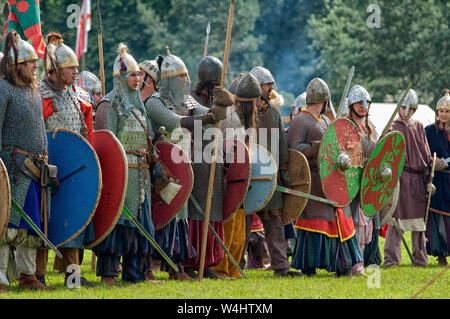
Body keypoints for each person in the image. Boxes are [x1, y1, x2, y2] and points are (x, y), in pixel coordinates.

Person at [144, 50, 231, 280]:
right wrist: (209, 117)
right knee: (159, 215)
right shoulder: (154, 102)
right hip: (161, 168)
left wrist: (219, 107)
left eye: (186, 76)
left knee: (180, 216)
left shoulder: (187, 100)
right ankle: (146, 268)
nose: (187, 80)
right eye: (182, 77)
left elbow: (206, 112)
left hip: (183, 165)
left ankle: (176, 268)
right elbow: (177, 123)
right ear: (171, 79)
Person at [93, 43, 156, 286]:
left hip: (140, 174)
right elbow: (106, 145)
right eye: (133, 74)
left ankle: (135, 273)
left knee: (138, 224)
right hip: (121, 175)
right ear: (120, 77)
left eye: (139, 74)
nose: (138, 78)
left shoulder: (139, 107)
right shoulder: (110, 105)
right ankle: (109, 273)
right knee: (116, 223)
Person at [287, 78, 363, 277]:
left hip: (332, 179)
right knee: (316, 222)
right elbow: (293, 151)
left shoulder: (328, 121)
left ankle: (342, 264)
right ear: (326, 100)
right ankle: (309, 265)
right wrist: (316, 146)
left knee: (340, 222)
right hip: (312, 181)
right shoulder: (300, 121)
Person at [37, 32, 95, 287]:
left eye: (75, 67)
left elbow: (88, 139)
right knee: (42, 223)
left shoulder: (81, 98)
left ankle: (72, 278)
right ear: (55, 70)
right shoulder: (39, 96)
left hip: (75, 170)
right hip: (43, 169)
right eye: (70, 67)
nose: (75, 72)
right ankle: (37, 275)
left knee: (73, 221)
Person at [0, 30, 51, 292]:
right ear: (17, 65)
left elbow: (40, 129)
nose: (36, 66)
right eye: (31, 62)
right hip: (11, 169)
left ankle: (27, 274)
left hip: (33, 169)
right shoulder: (3, 90)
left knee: (30, 223)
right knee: (5, 223)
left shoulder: (33, 92)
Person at [248, 66, 302, 277]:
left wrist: (284, 173)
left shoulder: (273, 113)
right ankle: (232, 265)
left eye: (271, 84)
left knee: (274, 221)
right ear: (256, 86)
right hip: (249, 173)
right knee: (242, 222)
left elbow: (280, 144)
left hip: (270, 175)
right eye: (266, 84)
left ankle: (281, 266)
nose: (271, 88)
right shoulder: (243, 111)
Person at [212, 72, 260, 278]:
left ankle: (232, 269)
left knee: (239, 231)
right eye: (255, 102)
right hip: (226, 179)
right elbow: (228, 152)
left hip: (238, 180)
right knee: (229, 228)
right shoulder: (231, 118)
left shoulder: (240, 119)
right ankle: (222, 268)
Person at [383, 89, 432, 268]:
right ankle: (391, 260)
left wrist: (430, 177)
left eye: (410, 108)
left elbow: (426, 156)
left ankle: (420, 260)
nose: (406, 111)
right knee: (396, 220)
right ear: (398, 108)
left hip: (418, 180)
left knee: (419, 222)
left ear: (415, 109)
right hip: (400, 178)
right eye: (403, 107)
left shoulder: (418, 126)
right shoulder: (392, 127)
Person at [344, 85, 381, 275]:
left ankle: (360, 263)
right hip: (349, 181)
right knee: (351, 225)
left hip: (367, 183)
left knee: (365, 226)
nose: (363, 106)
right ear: (351, 105)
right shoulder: (345, 126)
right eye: (359, 103)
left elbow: (377, 154)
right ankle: (350, 264)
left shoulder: (370, 127)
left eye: (366, 103)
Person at [424, 89, 449, 266]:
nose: (443, 114)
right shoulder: (430, 131)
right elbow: (423, 152)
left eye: (447, 111)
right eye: (441, 111)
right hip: (437, 181)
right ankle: (440, 254)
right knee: (438, 218)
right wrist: (433, 160)